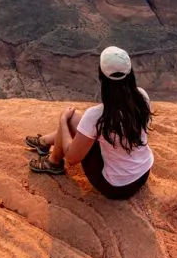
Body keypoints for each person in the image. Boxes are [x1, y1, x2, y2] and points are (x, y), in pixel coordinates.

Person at [25, 46, 153, 200]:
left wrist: (63, 121)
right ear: (130, 73)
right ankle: (43, 141)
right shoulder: (142, 97)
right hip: (142, 174)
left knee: (72, 119)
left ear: (102, 76)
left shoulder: (97, 115)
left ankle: (53, 163)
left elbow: (72, 158)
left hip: (115, 187)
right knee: (82, 125)